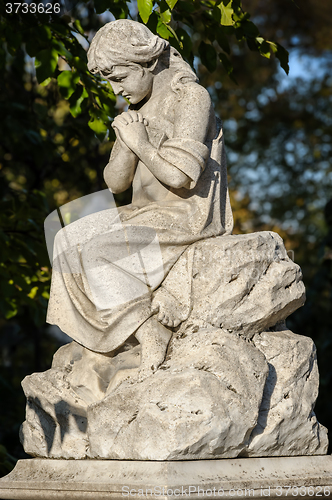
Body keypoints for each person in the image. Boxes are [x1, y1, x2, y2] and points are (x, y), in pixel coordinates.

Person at [47, 19, 233, 384]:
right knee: (62, 232)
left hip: (186, 214)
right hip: (143, 211)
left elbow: (181, 178)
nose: (117, 90)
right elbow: (115, 183)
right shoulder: (137, 110)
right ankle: (101, 337)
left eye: (119, 77)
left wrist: (143, 144)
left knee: (100, 250)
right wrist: (128, 143)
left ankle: (150, 330)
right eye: (110, 81)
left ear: (147, 63)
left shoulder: (191, 98)